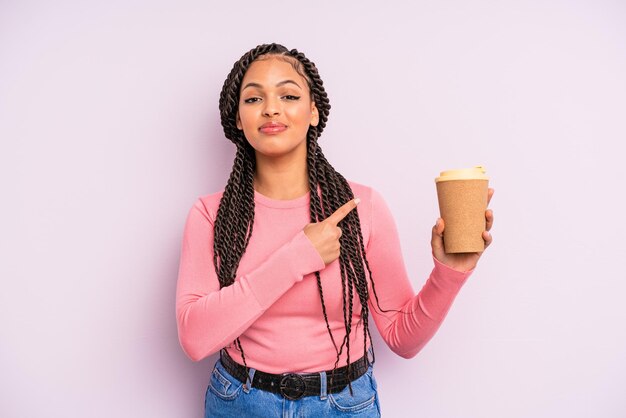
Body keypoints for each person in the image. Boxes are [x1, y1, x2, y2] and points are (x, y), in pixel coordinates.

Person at [175, 43, 494, 417]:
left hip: (343, 405)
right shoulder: (211, 215)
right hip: (240, 402)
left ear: (313, 112)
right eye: (253, 99)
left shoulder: (362, 208)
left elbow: (402, 339)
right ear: (238, 118)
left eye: (289, 94)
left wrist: (450, 271)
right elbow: (195, 339)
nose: (271, 108)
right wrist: (298, 257)